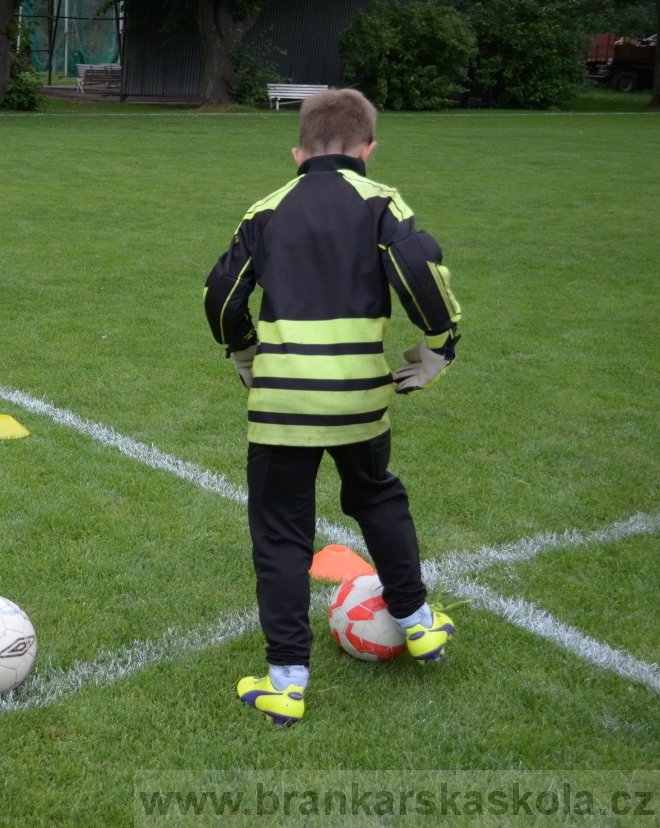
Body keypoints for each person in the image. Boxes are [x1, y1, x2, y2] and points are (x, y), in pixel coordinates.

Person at [203, 88, 462, 724]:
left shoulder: (266, 210)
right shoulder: (381, 203)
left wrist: (242, 352)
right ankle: (418, 621)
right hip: (360, 401)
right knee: (377, 498)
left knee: (283, 537)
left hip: (281, 404)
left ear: (298, 152)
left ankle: (286, 683)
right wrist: (439, 347)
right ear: (368, 149)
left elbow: (219, 294)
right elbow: (422, 272)